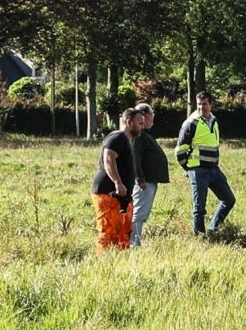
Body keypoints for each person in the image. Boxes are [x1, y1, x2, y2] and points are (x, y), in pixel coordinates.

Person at [176, 91, 236, 235]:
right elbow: (179, 151)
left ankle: (213, 230)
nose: (201, 107)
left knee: (229, 200)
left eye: (204, 104)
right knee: (199, 208)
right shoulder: (191, 123)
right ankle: (200, 237)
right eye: (199, 104)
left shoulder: (214, 120)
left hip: (214, 168)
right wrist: (188, 168)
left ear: (211, 104)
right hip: (198, 170)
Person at [92, 108, 145, 250]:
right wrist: (118, 183)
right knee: (109, 231)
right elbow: (109, 159)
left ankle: (119, 260)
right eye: (140, 123)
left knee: (123, 232)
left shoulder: (127, 141)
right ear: (129, 122)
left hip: (122, 196)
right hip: (109, 193)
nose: (143, 127)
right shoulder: (117, 137)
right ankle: (105, 259)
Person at [130, 103, 170, 247]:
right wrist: (140, 179)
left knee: (141, 213)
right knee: (139, 213)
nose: (153, 117)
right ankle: (133, 243)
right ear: (144, 116)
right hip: (144, 182)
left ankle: (135, 241)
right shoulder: (139, 136)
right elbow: (135, 158)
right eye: (151, 114)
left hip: (148, 180)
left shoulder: (144, 134)